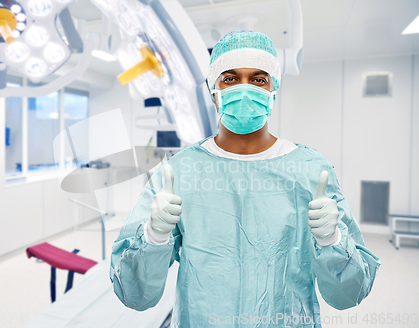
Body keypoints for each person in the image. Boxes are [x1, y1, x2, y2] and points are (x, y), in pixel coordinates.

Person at [110, 30, 381, 327]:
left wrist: (332, 239)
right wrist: (154, 236)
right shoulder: (180, 172)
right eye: (230, 78)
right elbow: (134, 295)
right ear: (213, 89)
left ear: (273, 88)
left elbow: (350, 294)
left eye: (258, 79)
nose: (244, 88)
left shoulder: (311, 170)